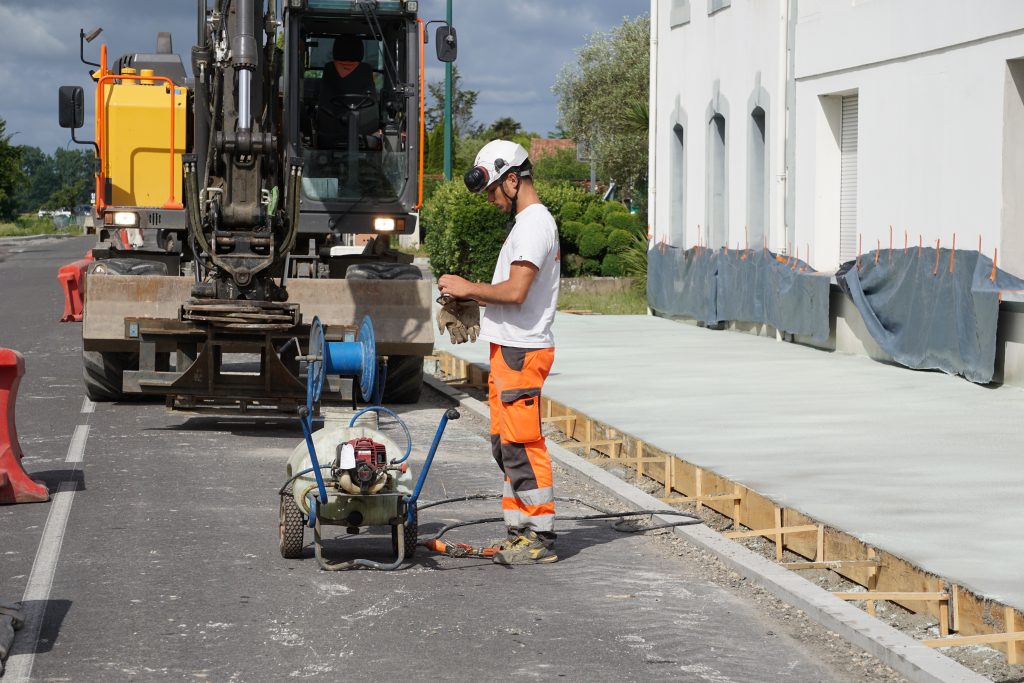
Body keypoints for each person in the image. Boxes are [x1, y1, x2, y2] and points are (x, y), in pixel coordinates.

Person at [438, 140, 560, 565]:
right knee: (505, 444)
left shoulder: (533, 225)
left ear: (512, 180)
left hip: (522, 352)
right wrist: (475, 303)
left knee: (523, 444)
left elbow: (517, 290)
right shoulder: (524, 224)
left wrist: (467, 288)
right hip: (509, 349)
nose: (491, 200)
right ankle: (520, 528)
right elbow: (512, 296)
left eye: (492, 190)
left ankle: (540, 537)